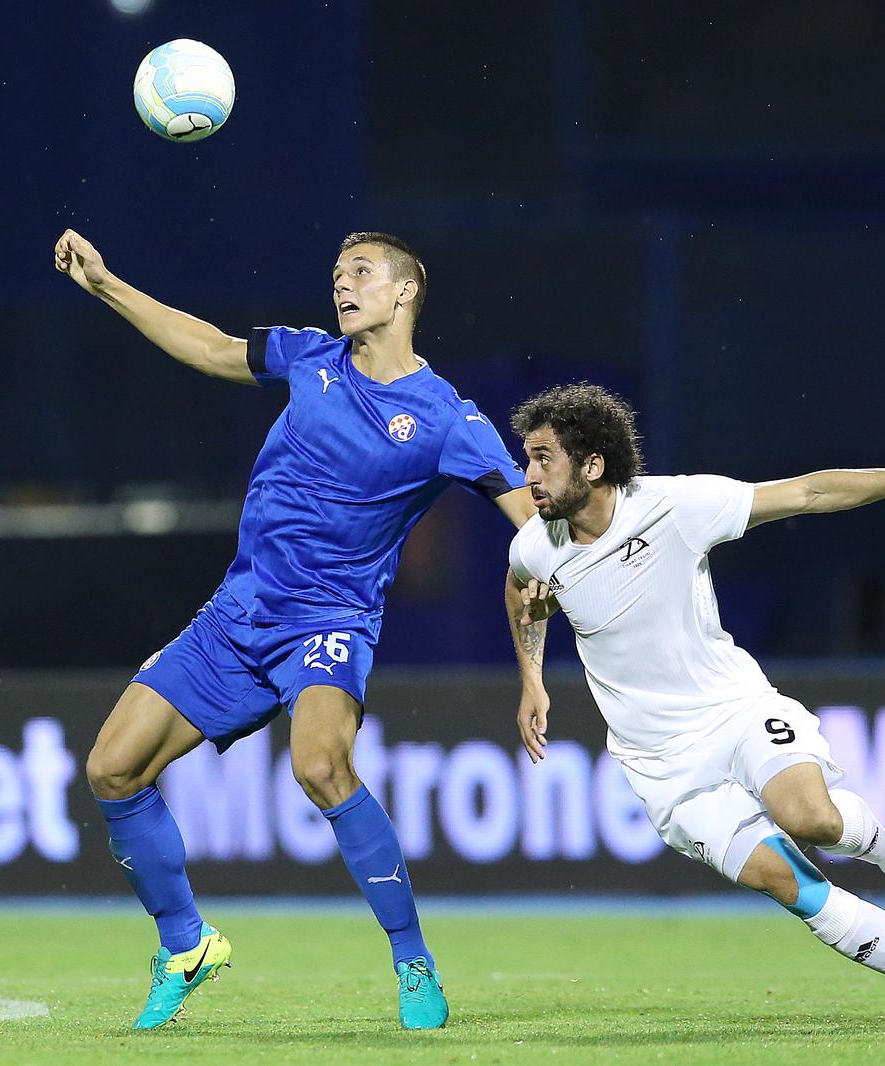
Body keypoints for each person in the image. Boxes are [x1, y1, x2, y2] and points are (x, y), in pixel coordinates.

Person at [54, 227, 535, 1030]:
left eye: (361, 272)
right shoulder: (309, 357)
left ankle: (413, 961)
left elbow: (532, 535)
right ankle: (186, 944)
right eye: (337, 273)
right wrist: (106, 283)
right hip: (237, 614)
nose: (342, 285)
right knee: (111, 768)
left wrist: (551, 635)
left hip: (330, 620)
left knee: (318, 764)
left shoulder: (450, 420)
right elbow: (209, 348)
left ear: (405, 292)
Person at [503, 382, 885, 1027]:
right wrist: (532, 678)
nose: (529, 476)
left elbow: (810, 492)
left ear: (592, 465)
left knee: (812, 820)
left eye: (544, 458)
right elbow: (519, 593)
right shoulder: (535, 544)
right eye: (526, 458)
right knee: (791, 884)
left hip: (733, 710)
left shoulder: (674, 506)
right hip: (660, 764)